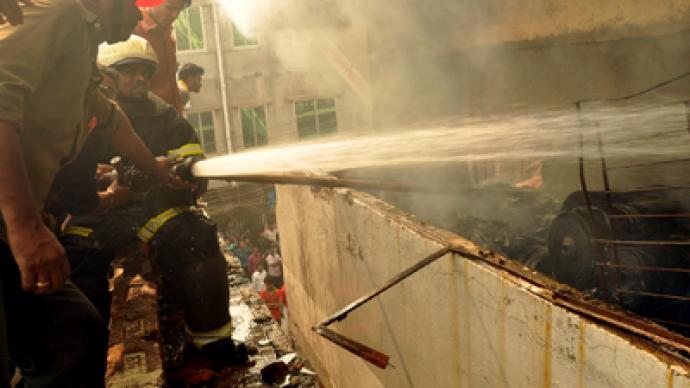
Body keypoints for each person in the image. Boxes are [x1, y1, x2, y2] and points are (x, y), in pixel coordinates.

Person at [0, 0, 178, 385]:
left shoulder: (82, 45)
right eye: (132, 4)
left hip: (11, 231)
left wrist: (156, 168)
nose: (136, 18)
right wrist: (27, 229)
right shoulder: (57, 14)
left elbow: (109, 118)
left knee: (74, 336)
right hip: (11, 228)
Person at [59, 35, 247, 370]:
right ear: (107, 76)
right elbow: (68, 177)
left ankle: (211, 343)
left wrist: (188, 179)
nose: (140, 78)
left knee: (198, 239)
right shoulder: (84, 111)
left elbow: (193, 159)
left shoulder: (165, 116)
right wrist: (105, 182)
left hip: (155, 207)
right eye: (128, 71)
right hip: (97, 212)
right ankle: (92, 360)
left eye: (144, 71)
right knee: (76, 259)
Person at [133, 0, 189, 112]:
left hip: (170, 117)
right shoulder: (134, 31)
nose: (175, 15)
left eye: (179, 10)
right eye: (170, 8)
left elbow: (169, 84)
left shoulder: (167, 35)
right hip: (148, 117)